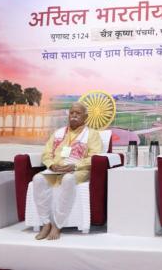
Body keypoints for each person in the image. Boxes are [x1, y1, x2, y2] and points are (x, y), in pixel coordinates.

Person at [32, 102, 102, 240]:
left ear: (86, 117)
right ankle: (46, 223)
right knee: (38, 178)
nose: (74, 115)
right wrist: (51, 165)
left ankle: (57, 225)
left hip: (78, 169)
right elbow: (46, 153)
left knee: (68, 179)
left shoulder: (92, 134)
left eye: (78, 113)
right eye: (72, 113)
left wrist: (74, 166)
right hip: (56, 169)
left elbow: (95, 156)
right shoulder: (58, 133)